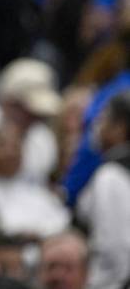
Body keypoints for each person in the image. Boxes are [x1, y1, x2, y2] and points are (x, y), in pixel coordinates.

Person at [77, 91, 130, 289]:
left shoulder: (111, 176)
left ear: (120, 127)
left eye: (103, 119)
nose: (96, 127)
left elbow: (115, 250)